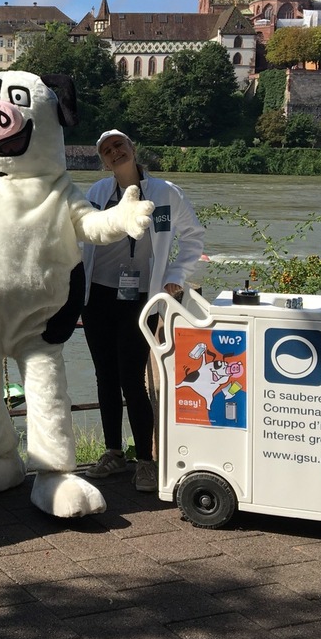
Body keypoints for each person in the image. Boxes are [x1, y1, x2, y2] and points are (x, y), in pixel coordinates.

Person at [81, 129, 205, 491]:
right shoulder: (97, 194)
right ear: (102, 161)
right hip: (98, 296)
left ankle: (145, 463)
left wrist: (176, 277)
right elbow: (78, 237)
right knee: (105, 377)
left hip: (141, 300)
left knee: (131, 378)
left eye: (119, 145)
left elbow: (193, 236)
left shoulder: (166, 193)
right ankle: (112, 452)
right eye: (106, 150)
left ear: (133, 150)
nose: (114, 152)